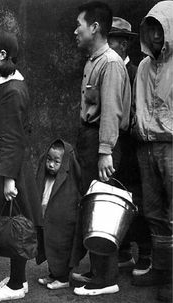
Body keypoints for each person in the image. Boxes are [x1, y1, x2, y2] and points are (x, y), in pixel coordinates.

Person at [0, 30, 42, 302]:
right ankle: (18, 280)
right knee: (10, 219)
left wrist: (8, 178)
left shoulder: (13, 90)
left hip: (8, 167)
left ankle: (16, 286)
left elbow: (14, 137)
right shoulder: (5, 82)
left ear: (2, 55)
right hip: (2, 163)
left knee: (15, 222)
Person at [72, 1, 131, 296]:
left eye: (79, 25)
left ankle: (106, 279)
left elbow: (110, 111)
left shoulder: (110, 63)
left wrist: (105, 150)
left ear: (94, 28)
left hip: (101, 141)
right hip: (90, 140)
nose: (75, 31)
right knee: (91, 205)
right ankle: (98, 270)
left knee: (102, 207)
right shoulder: (94, 60)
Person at [131, 2, 173, 302]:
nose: (155, 34)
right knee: (154, 212)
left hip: (172, 147)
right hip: (146, 146)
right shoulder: (143, 66)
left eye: (161, 27)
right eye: (151, 27)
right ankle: (160, 268)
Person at [108, 17, 152, 275]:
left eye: (112, 39)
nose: (107, 43)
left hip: (133, 149)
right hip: (114, 147)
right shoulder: (106, 67)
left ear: (123, 44)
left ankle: (145, 253)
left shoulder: (136, 73)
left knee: (138, 201)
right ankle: (123, 251)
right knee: (114, 198)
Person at [36, 139, 81, 290]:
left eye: (56, 162)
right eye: (49, 160)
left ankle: (63, 278)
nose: (51, 164)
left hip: (62, 223)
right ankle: (53, 274)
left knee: (61, 248)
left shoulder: (69, 184)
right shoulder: (45, 177)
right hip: (47, 219)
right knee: (49, 245)